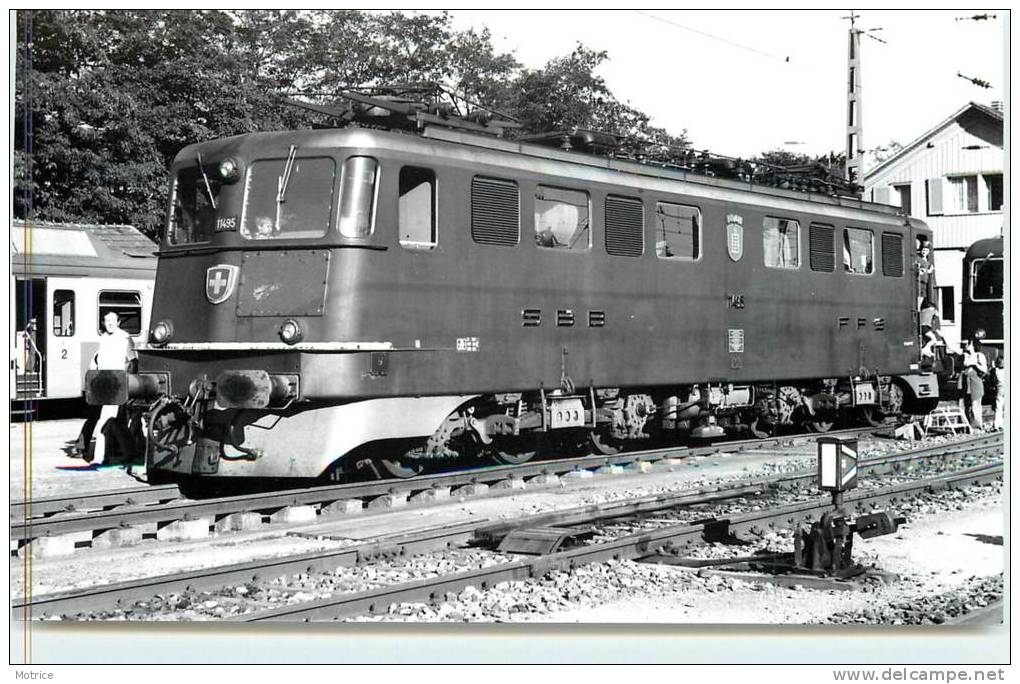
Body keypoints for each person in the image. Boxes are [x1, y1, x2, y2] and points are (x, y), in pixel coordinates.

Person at [74, 311, 137, 463]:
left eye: (112, 320)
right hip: (103, 383)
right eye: (106, 320)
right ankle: (131, 452)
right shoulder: (103, 338)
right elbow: (97, 360)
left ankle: (99, 458)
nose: (109, 323)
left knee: (105, 420)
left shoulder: (125, 339)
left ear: (118, 322)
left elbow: (133, 362)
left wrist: (127, 383)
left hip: (117, 383)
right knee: (118, 422)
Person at [960, 339, 988, 430]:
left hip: (975, 382)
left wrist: (975, 364)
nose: (966, 345)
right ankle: (967, 424)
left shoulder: (979, 356)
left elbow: (984, 370)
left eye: (969, 344)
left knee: (975, 405)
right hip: (966, 382)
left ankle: (977, 425)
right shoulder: (966, 355)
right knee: (965, 404)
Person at [991, 357, 1005, 431]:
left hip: (1000, 389)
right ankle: (1002, 424)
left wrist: (993, 366)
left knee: (998, 408)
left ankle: (997, 425)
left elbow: (993, 372)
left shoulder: (996, 371)